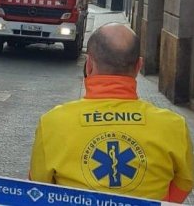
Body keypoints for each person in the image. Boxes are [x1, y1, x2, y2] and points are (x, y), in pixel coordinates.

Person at [29, 23, 194, 203]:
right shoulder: (173, 125)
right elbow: (186, 180)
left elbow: (38, 189)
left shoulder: (53, 123)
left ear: (89, 64)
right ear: (139, 66)